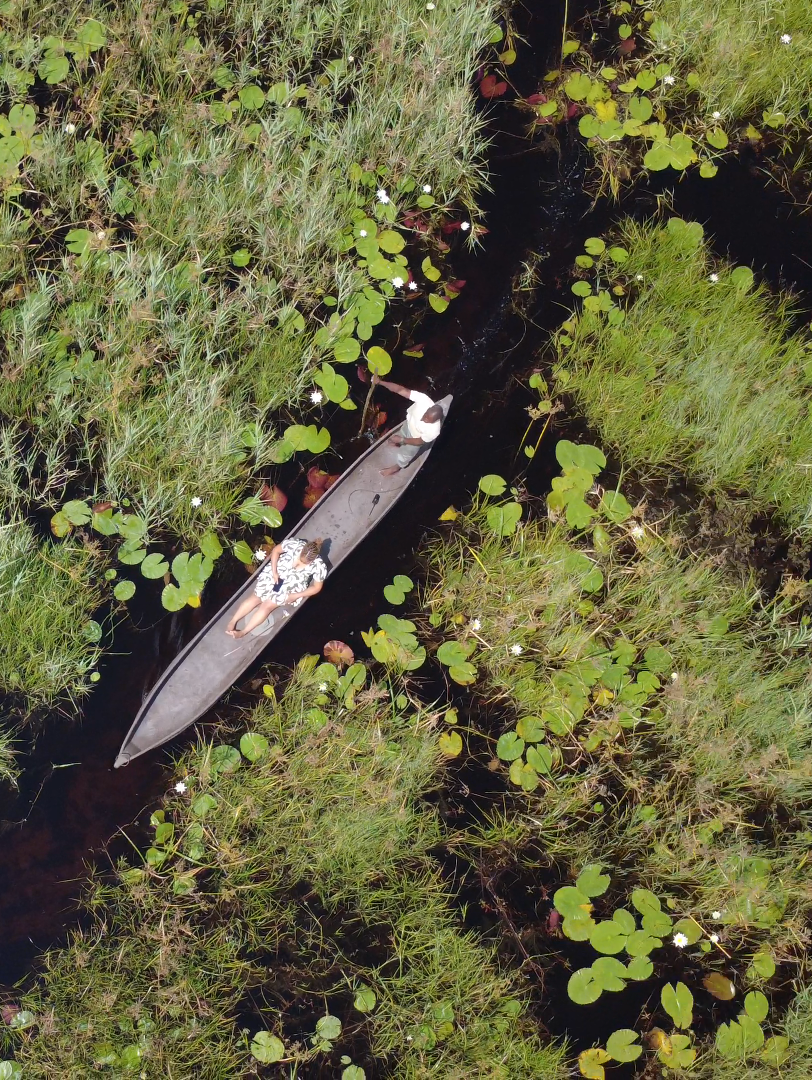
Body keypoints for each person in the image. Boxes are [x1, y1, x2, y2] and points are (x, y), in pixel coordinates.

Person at [225, 537, 327, 639]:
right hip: (276, 573)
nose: (301, 562)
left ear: (313, 559)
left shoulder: (319, 565)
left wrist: (296, 595)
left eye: (305, 563)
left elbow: (316, 587)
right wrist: (274, 572)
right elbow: (276, 550)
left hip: (291, 585)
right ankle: (233, 621)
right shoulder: (295, 544)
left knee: (267, 606)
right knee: (256, 597)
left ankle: (243, 632)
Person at [372, 375, 444, 476]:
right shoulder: (424, 400)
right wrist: (380, 382)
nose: (424, 419)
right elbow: (401, 390)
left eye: (428, 421)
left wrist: (403, 440)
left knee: (405, 455)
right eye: (426, 416)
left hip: (415, 439)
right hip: (408, 425)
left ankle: (397, 467)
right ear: (428, 408)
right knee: (399, 435)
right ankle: (398, 444)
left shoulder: (434, 431)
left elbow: (420, 441)